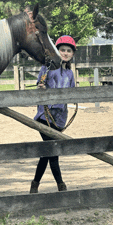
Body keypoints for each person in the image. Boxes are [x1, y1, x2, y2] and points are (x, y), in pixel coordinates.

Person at [30, 35, 76, 193]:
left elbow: (72, 93)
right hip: (45, 117)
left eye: (68, 51)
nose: (65, 53)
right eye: (62, 50)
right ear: (56, 51)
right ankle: (61, 185)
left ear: (72, 54)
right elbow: (39, 85)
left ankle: (35, 183)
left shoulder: (70, 74)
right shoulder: (47, 68)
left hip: (60, 119)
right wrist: (41, 87)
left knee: (47, 152)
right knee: (53, 151)